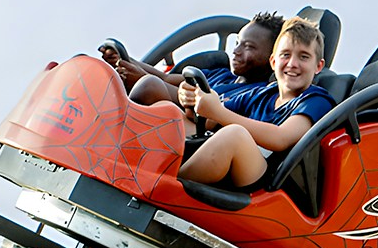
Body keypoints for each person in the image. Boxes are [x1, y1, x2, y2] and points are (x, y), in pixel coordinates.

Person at [176, 16, 334, 187]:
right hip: (239, 167)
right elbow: (210, 121)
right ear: (273, 61)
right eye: (285, 55)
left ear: (318, 66)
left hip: (270, 182)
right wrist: (192, 100)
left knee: (234, 135)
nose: (292, 64)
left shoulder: (316, 100)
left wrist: (218, 112)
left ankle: (168, 189)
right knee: (171, 113)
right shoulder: (263, 93)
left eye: (304, 57)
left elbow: (280, 138)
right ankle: (150, 168)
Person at [100, 13, 284, 122]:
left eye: (249, 47)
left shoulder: (257, 94)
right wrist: (124, 59)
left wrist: (141, 79)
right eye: (237, 42)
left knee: (149, 86)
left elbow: (210, 114)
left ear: (272, 60)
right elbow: (166, 79)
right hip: (168, 118)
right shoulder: (220, 75)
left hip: (196, 135)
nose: (236, 51)